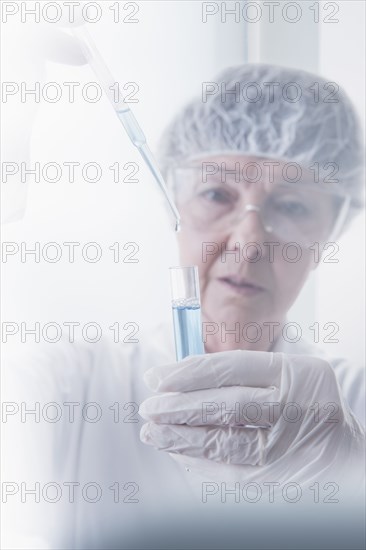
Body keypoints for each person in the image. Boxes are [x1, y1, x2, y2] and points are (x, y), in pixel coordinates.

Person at [3, 64, 365, 550]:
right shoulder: (78, 382)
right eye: (217, 194)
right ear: (174, 203)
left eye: (293, 206)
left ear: (331, 230)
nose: (249, 242)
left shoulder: (352, 409)